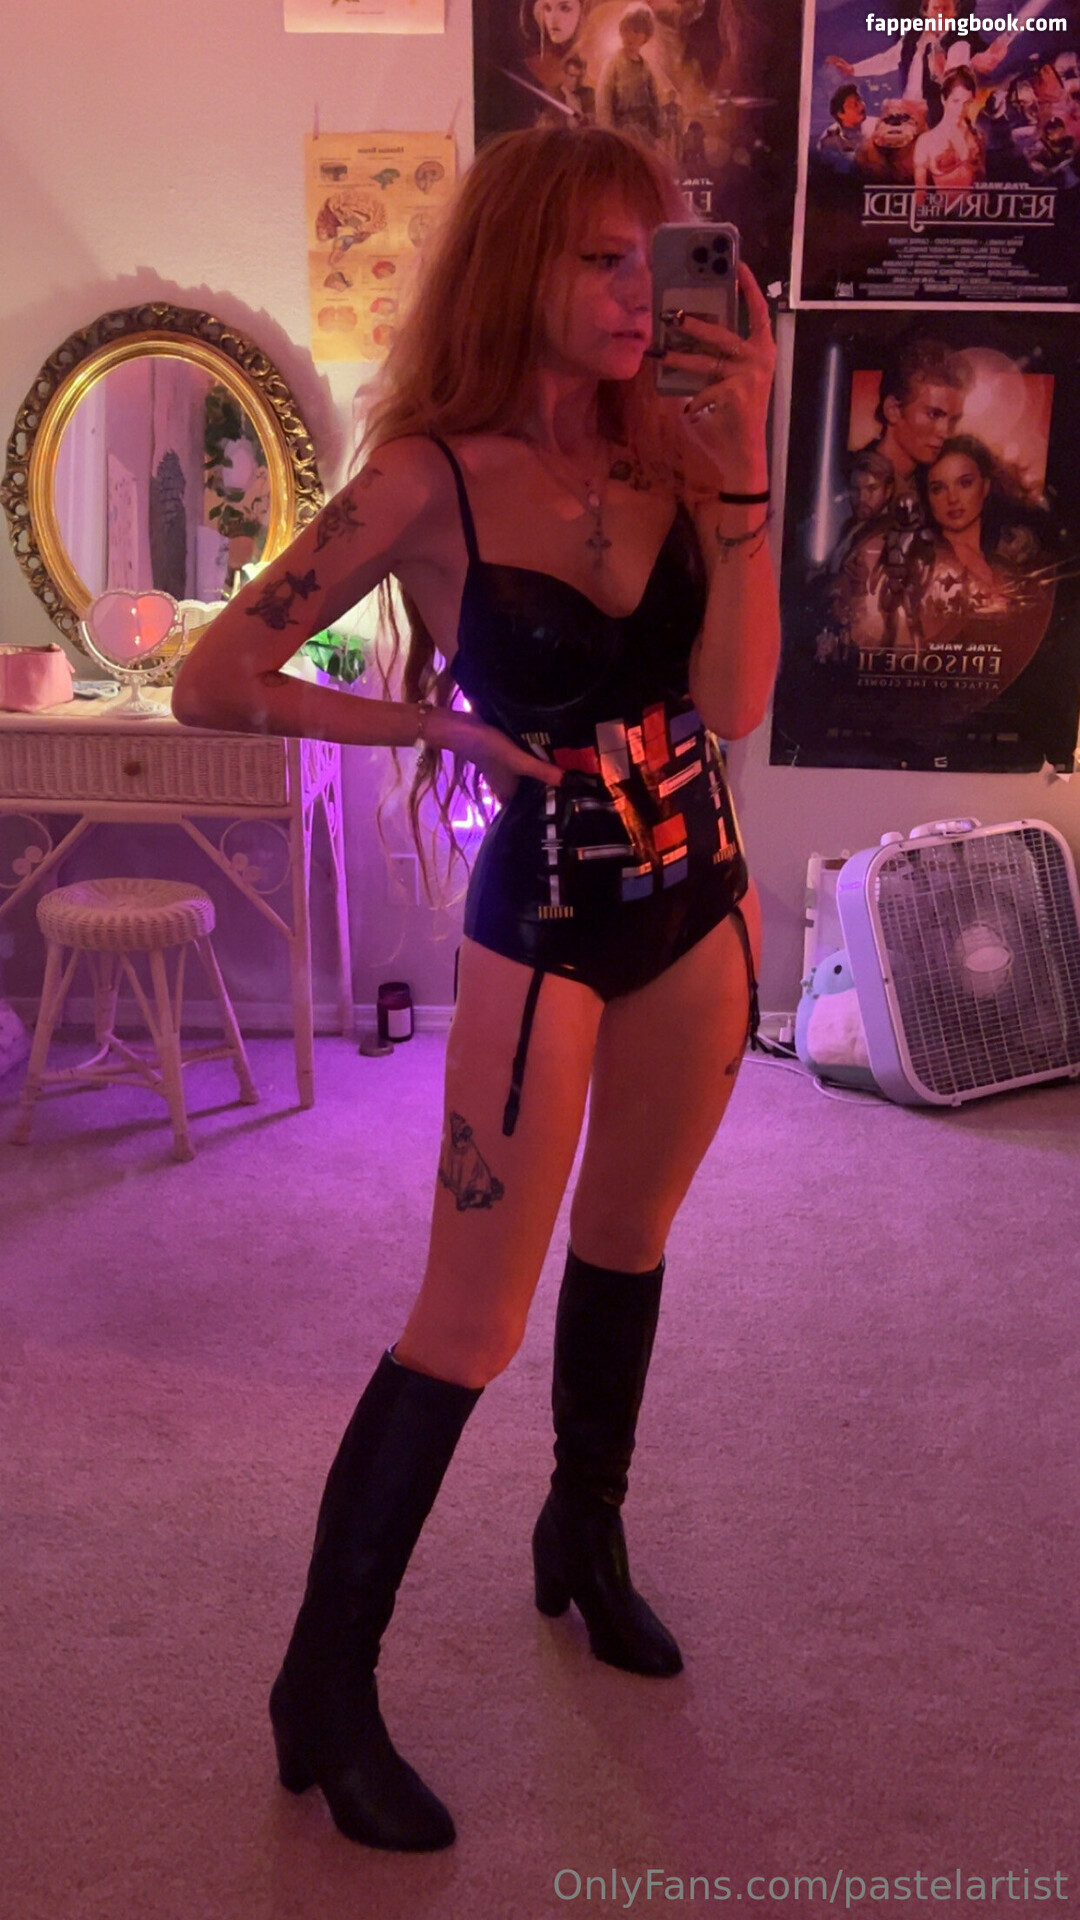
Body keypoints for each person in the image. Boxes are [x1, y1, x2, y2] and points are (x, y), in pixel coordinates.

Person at [172, 125, 778, 1854]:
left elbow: (735, 703)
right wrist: (426, 722)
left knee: (632, 1240)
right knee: (467, 1319)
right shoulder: (426, 479)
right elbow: (217, 679)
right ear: (519, 268)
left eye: (655, 256)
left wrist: (744, 467)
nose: (639, 293)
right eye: (599, 258)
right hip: (547, 916)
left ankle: (582, 1534)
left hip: (700, 901)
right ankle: (321, 1686)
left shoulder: (682, 447)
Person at [597, 6, 664, 144]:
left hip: (645, 135)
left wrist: (658, 133)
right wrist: (608, 136)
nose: (630, 36)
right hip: (620, 135)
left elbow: (655, 102)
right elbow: (603, 104)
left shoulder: (646, 68)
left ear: (646, 36)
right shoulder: (613, 64)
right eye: (626, 30)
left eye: (636, 31)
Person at [913, 66, 984, 192]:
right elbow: (920, 194)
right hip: (942, 204)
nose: (960, 109)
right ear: (943, 99)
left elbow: (983, 188)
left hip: (974, 204)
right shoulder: (926, 141)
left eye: (966, 103)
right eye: (955, 101)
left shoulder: (977, 137)